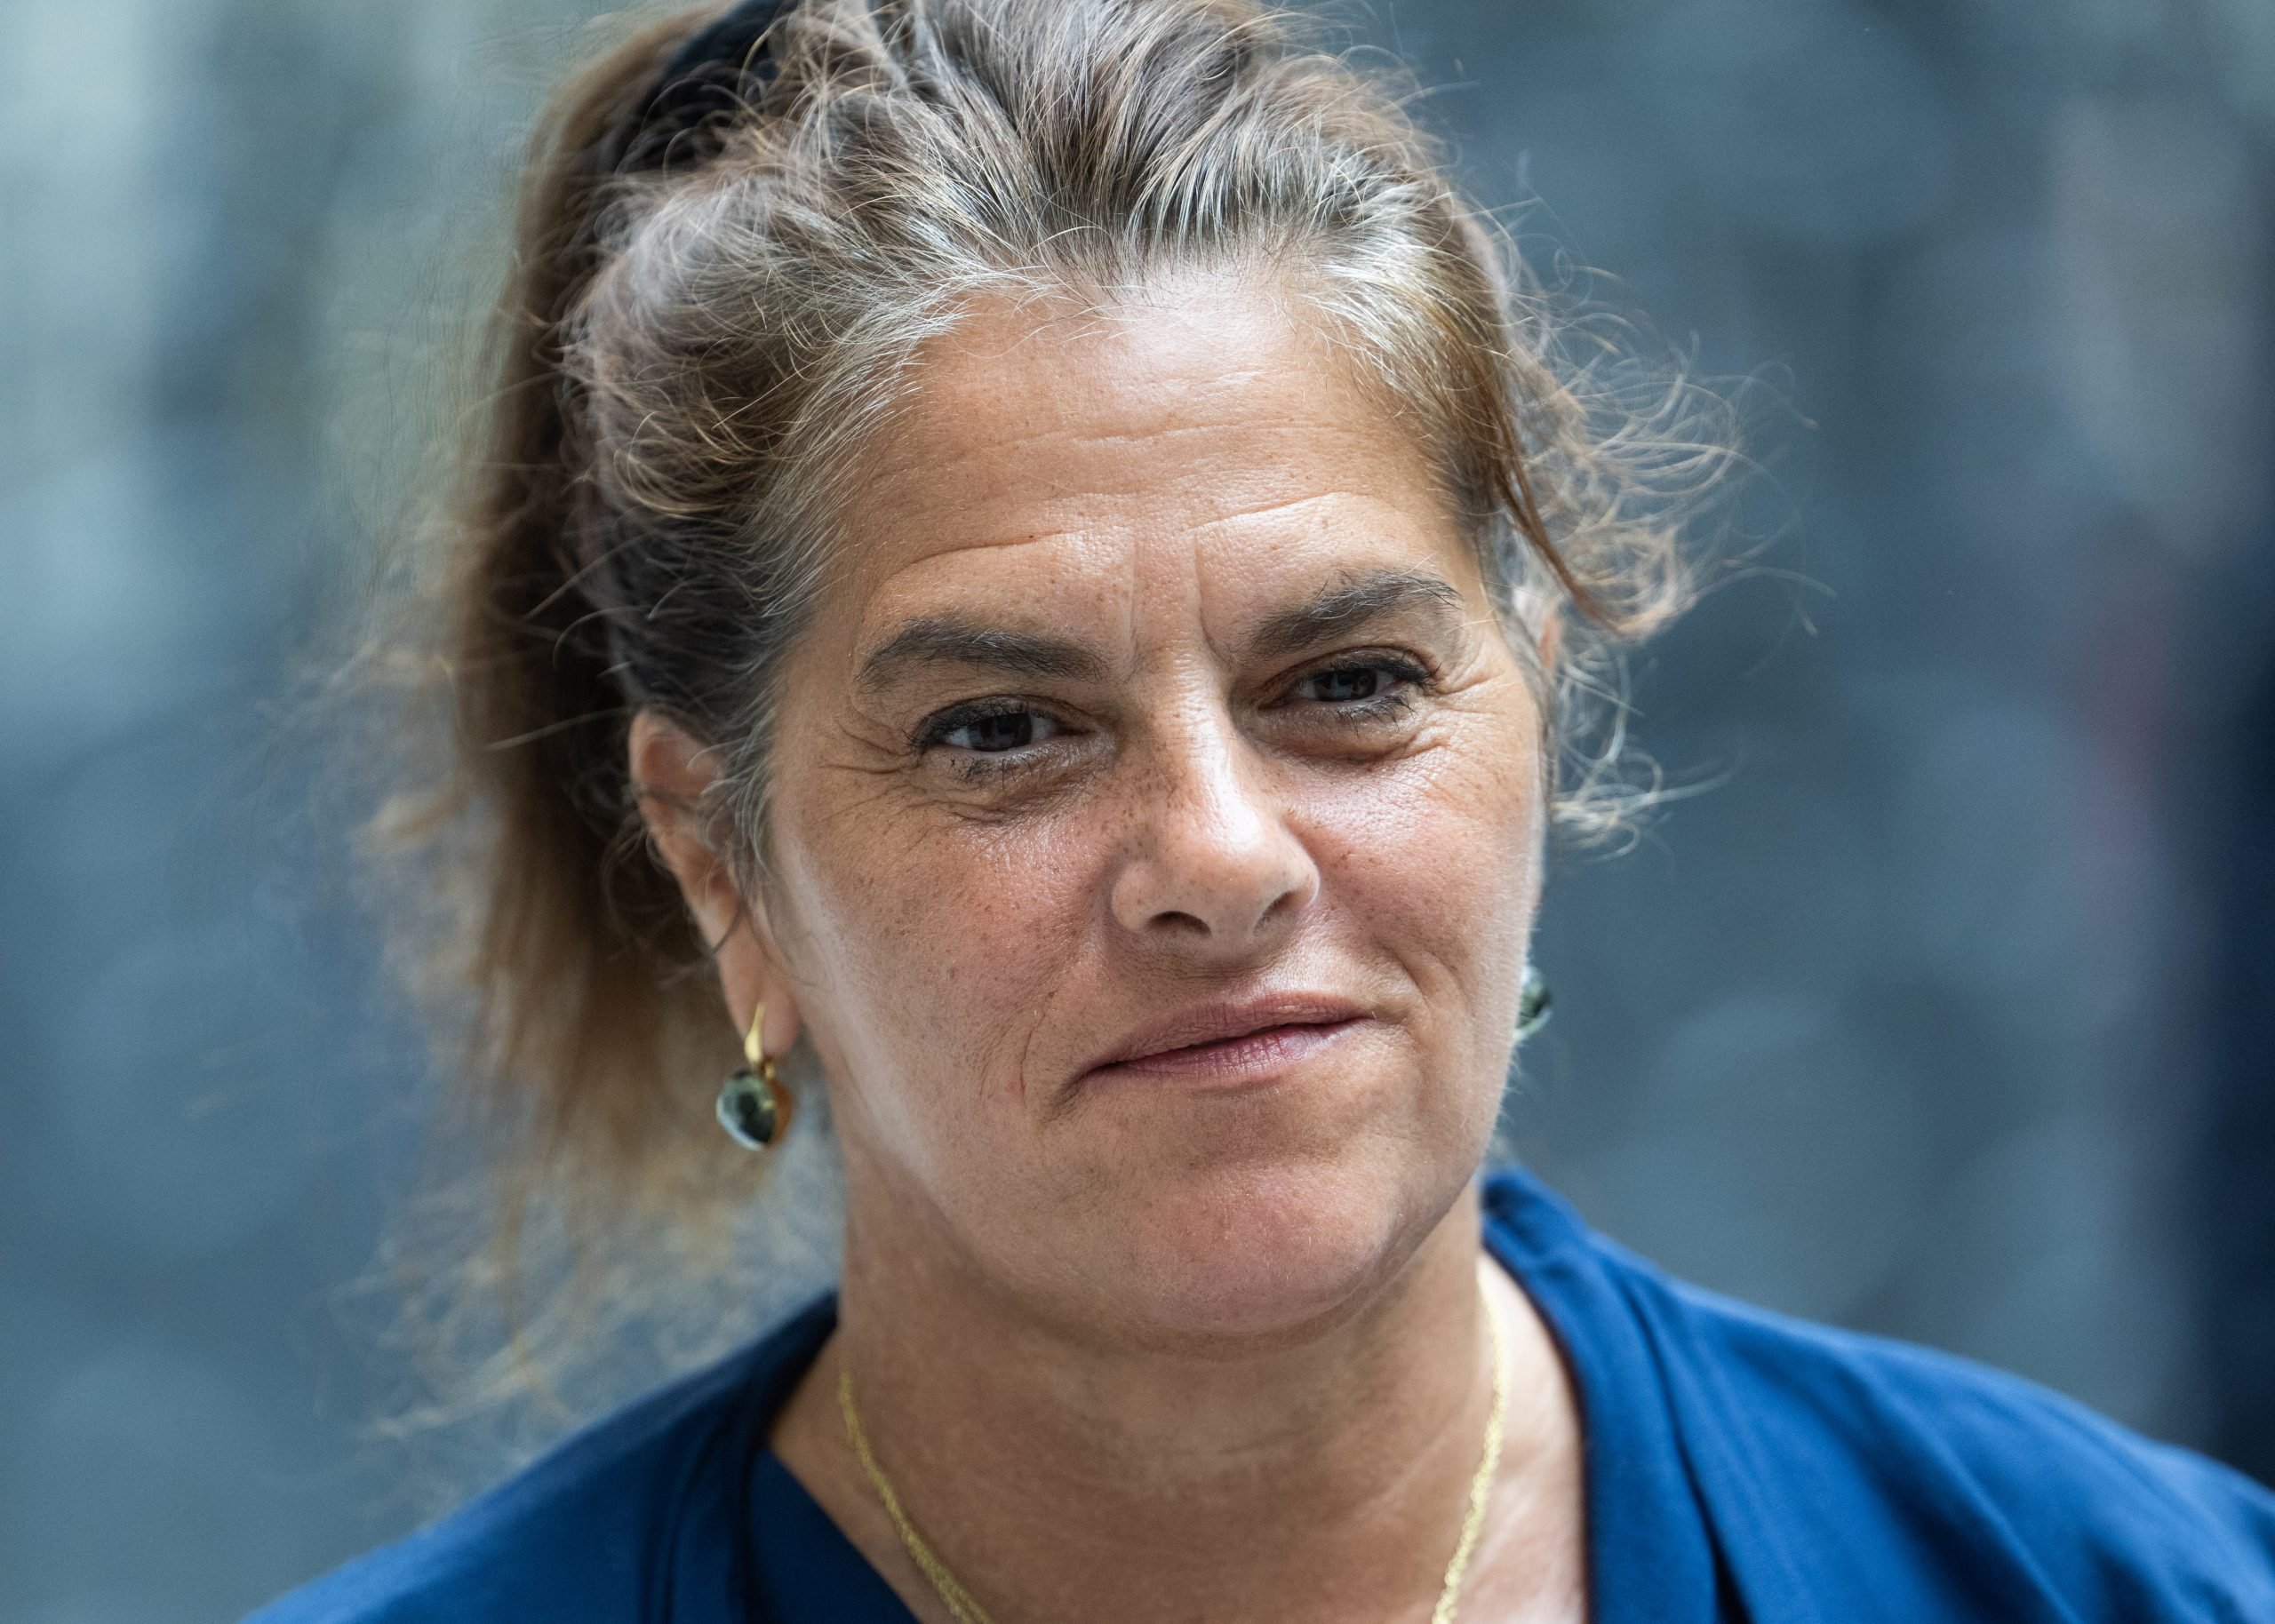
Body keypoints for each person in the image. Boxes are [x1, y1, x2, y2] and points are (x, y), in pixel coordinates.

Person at [255, 1, 2275, 1619]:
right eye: (997, 730)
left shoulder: (2107, 1579)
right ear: (724, 857)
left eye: (1345, 686)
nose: (1220, 856)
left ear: (1533, 723)